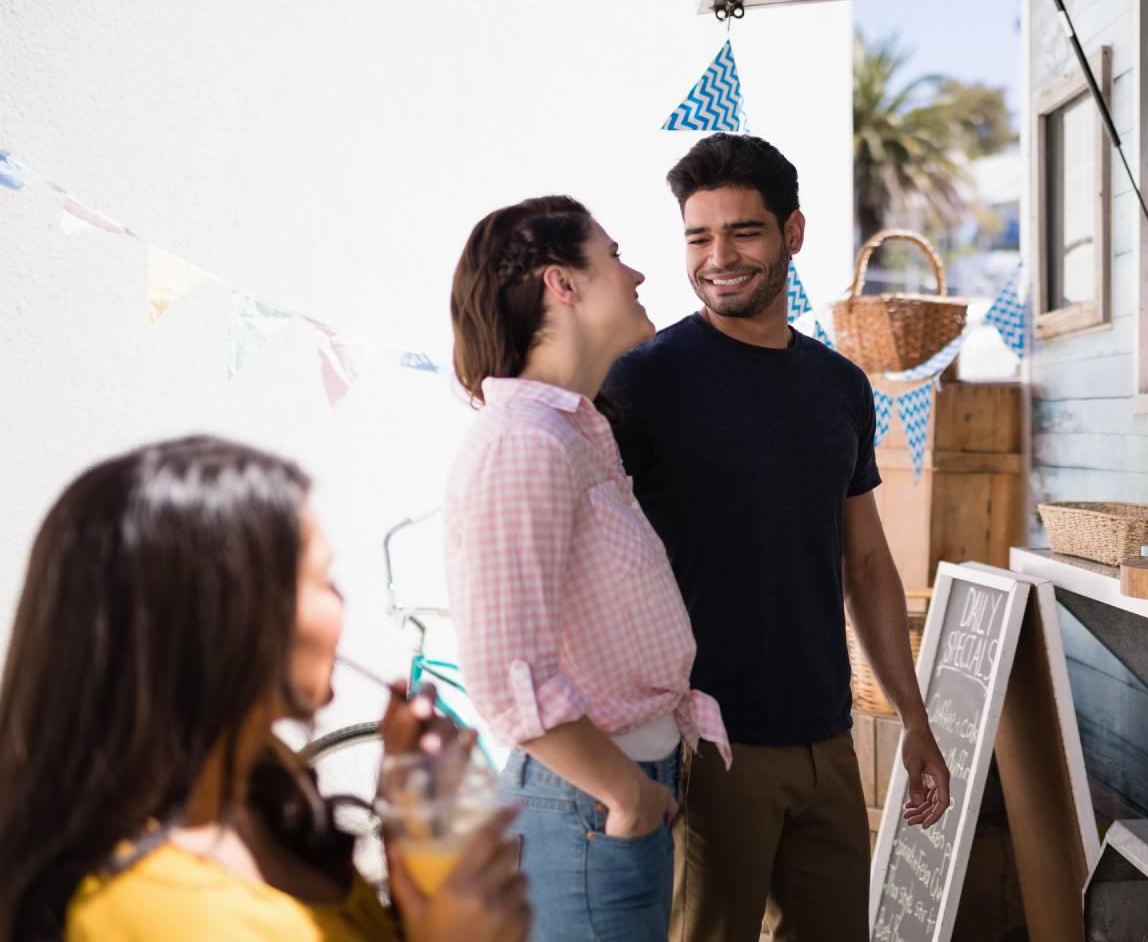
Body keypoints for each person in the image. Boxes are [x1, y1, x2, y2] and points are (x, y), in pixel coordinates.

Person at [602, 133, 949, 942]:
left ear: (793, 233)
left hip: (827, 742)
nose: (717, 256)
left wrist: (914, 719)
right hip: (707, 748)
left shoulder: (839, 387)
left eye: (743, 232)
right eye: (698, 236)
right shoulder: (644, 381)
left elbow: (866, 565)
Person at [0, 436, 529, 942]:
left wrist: (408, 830)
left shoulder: (261, 782)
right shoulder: (143, 907)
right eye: (323, 581)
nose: (342, 603)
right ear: (229, 620)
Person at [445, 195, 729, 942]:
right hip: (590, 810)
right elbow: (508, 676)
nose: (635, 272)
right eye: (612, 254)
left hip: (613, 804)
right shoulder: (525, 443)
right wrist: (625, 795)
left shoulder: (575, 430)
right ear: (560, 285)